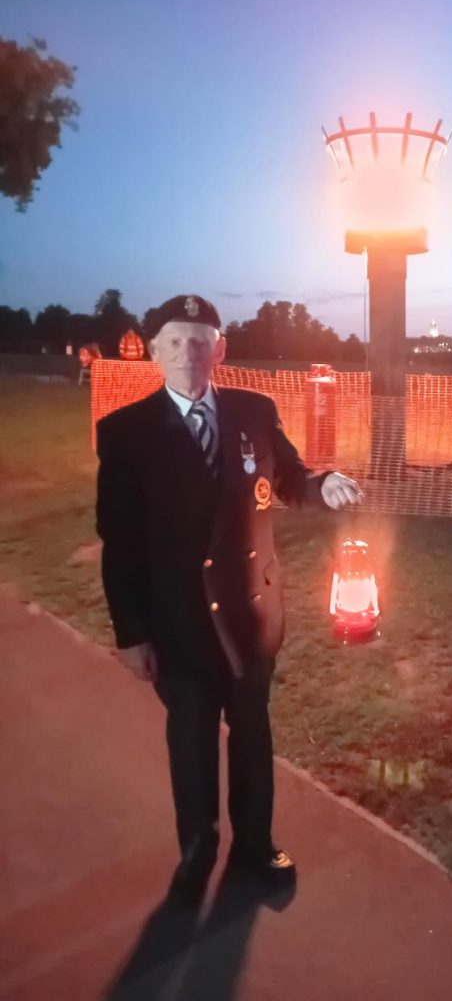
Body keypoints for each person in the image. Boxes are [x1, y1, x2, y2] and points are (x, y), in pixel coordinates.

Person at [95, 294, 362, 905]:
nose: (190, 352)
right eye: (176, 340)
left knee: (252, 734)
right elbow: (121, 543)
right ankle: (196, 852)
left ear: (221, 349)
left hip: (251, 609)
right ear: (155, 351)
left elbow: (289, 478)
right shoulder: (127, 433)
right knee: (190, 742)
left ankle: (254, 845)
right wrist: (131, 634)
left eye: (202, 339)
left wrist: (324, 484)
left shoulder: (254, 411)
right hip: (178, 624)